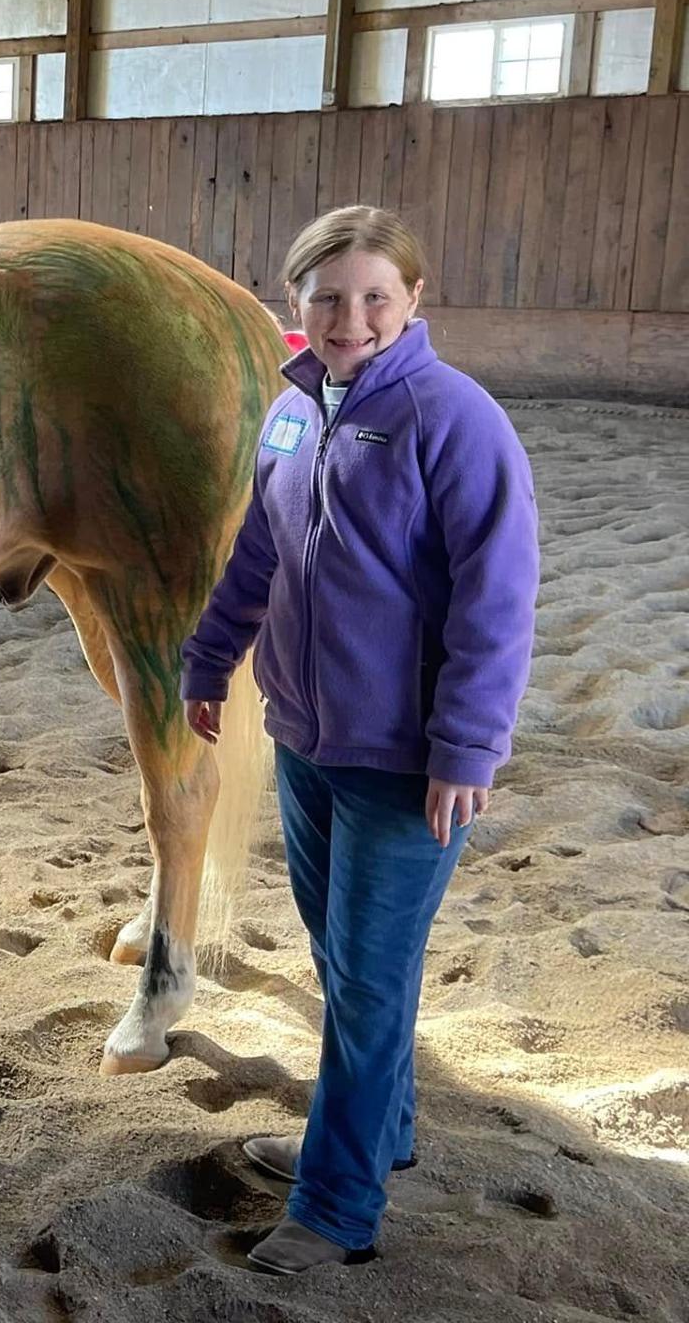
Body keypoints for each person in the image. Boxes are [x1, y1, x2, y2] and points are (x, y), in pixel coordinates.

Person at [180, 207, 539, 1274]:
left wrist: (466, 748)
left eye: (376, 296)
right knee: (349, 968)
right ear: (297, 305)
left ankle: (337, 1207)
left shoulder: (454, 418)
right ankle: (384, 1133)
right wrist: (211, 660)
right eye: (329, 298)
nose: (353, 319)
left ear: (414, 301)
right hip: (306, 739)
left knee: (371, 981)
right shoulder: (289, 417)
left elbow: (497, 594)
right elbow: (261, 552)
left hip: (406, 762)